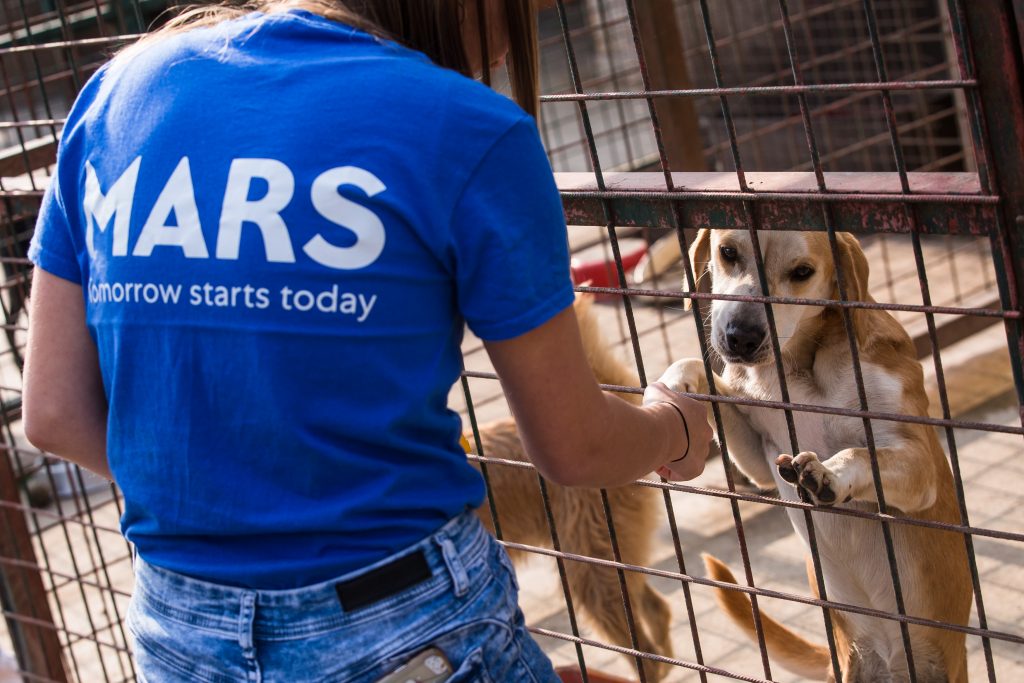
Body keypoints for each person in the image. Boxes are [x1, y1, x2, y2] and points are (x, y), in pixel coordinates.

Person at [23, 0, 714, 680]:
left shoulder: (116, 92)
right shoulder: (467, 124)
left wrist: (231, 494)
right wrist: (673, 429)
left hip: (180, 628)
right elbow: (575, 445)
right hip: (404, 625)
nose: (513, 41)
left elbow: (51, 412)